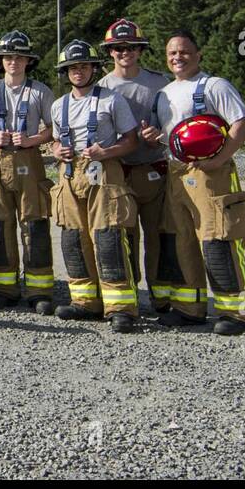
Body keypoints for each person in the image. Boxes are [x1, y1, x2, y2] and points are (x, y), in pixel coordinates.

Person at [140, 31, 245, 335]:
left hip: (210, 174)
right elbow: (165, 137)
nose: (177, 57)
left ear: (198, 54)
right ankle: (190, 309)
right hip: (175, 172)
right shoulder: (163, 94)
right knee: (182, 242)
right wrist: (152, 139)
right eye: (171, 54)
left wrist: (220, 160)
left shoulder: (215, 86)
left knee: (218, 241)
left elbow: (241, 124)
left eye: (184, 52)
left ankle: (237, 313)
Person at [49, 40, 142, 333]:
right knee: (73, 239)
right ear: (66, 72)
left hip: (104, 171)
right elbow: (53, 140)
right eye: (73, 68)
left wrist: (107, 152)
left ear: (93, 69)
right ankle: (85, 301)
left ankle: (120, 308)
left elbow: (131, 140)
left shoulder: (111, 100)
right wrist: (54, 150)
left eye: (84, 66)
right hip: (68, 174)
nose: (78, 71)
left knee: (108, 237)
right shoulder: (58, 105)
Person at [0, 30, 56, 314]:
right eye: (9, 57)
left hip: (28, 158)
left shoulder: (40, 91)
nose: (14, 62)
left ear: (28, 61)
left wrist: (33, 140)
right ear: (1, 60)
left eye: (19, 57)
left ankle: (39, 289)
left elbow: (53, 128)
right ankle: (4, 288)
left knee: (34, 225)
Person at [97, 18, 171, 312]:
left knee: (158, 235)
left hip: (152, 167)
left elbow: (172, 124)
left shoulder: (159, 82)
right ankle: (127, 298)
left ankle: (162, 297)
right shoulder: (100, 86)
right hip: (117, 171)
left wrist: (160, 137)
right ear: (110, 53)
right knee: (121, 238)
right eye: (118, 48)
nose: (124, 53)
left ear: (140, 51)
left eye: (130, 48)